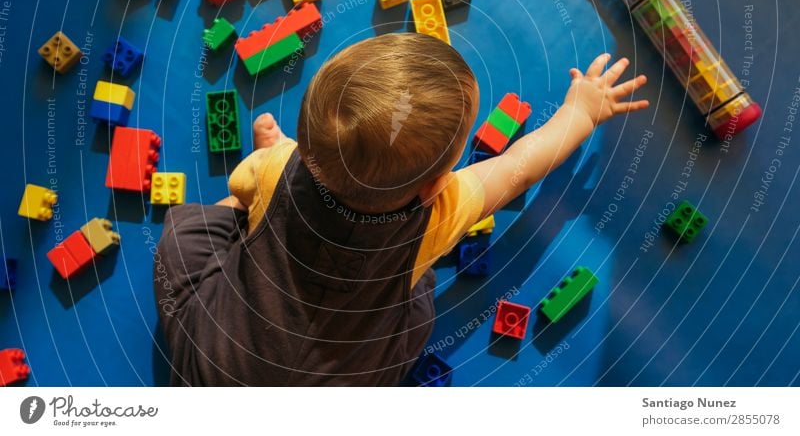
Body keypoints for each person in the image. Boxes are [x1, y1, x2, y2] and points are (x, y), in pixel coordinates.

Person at [154, 32, 648, 385]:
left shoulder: (279, 165)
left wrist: (268, 169)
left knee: (196, 232)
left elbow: (242, 191)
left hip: (210, 365)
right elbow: (518, 166)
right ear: (435, 185)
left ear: (306, 145)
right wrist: (581, 111)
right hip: (335, 391)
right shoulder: (438, 213)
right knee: (414, 307)